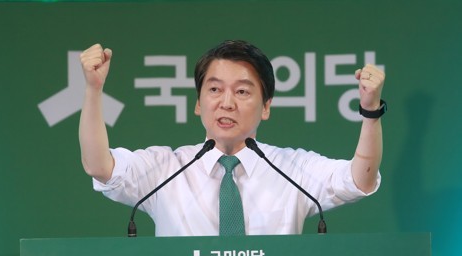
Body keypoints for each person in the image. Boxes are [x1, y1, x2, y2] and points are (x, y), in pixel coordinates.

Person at [79, 40, 385, 236]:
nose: (227, 103)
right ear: (198, 103)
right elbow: (99, 166)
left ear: (266, 107)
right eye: (214, 90)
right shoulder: (165, 169)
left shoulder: (292, 168)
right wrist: (93, 90)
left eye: (242, 91)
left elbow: (361, 180)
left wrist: (370, 111)